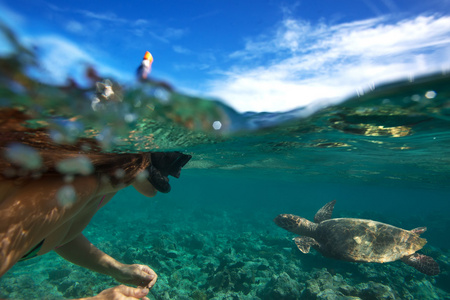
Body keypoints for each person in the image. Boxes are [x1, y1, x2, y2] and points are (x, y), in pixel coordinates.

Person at [0, 109, 192, 299]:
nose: (176, 174)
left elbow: (55, 235)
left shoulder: (105, 183)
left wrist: (118, 270)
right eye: (171, 160)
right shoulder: (82, 183)